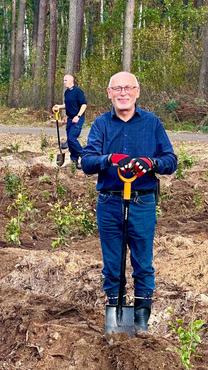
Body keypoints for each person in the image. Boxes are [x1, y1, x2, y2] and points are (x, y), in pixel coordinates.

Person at [81, 71, 177, 332]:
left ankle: (141, 320)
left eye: (128, 88)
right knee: (113, 263)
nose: (123, 93)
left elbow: (171, 161)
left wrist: (150, 163)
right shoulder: (101, 125)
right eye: (117, 89)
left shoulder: (152, 123)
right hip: (110, 202)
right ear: (109, 93)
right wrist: (109, 159)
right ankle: (115, 314)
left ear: (137, 91)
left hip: (142, 202)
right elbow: (87, 162)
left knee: (143, 263)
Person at [52, 74, 87, 169]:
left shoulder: (78, 92)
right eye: (64, 80)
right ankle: (74, 160)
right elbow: (67, 105)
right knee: (70, 142)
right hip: (70, 119)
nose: (64, 82)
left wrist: (78, 116)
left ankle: (84, 156)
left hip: (78, 119)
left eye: (65, 80)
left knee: (71, 138)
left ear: (71, 81)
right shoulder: (67, 92)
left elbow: (84, 105)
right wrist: (59, 106)